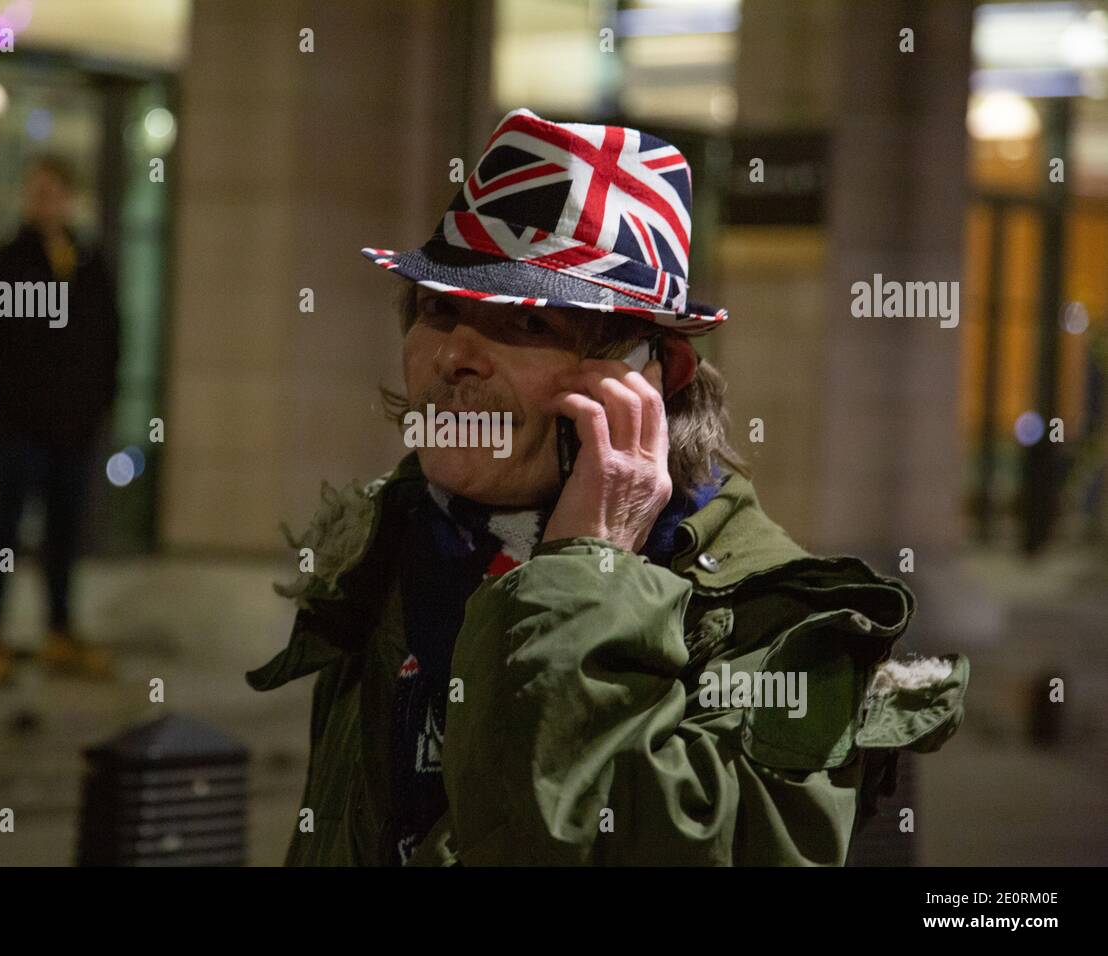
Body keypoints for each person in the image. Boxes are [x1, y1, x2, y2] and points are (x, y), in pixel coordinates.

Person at [246, 109, 969, 866]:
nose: (455, 353)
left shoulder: (777, 627)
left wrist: (583, 575)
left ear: (648, 378)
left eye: (524, 324)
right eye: (439, 307)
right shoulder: (393, 539)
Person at [0, 154, 119, 684]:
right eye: (37, 191)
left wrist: (95, 407)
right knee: (4, 531)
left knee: (64, 533)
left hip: (74, 431)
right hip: (17, 429)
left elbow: (109, 343)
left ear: (69, 198)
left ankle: (59, 632)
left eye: (55, 191)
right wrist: (19, 405)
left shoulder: (90, 264)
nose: (45, 201)